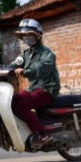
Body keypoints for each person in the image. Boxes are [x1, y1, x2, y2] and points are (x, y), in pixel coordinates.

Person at [12, 18, 61, 148]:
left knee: (22, 106)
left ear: (37, 36)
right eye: (24, 35)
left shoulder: (46, 53)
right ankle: (25, 130)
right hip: (33, 88)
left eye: (30, 34)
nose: (27, 37)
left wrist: (26, 71)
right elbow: (14, 65)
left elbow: (43, 68)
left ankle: (42, 133)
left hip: (47, 89)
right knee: (11, 102)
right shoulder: (26, 54)